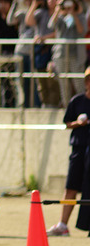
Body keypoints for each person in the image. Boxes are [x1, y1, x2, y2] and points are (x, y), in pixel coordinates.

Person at [47, 67, 90, 236]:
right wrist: (79, 124)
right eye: (88, 79)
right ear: (86, 82)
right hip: (78, 148)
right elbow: (67, 123)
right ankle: (63, 225)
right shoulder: (77, 101)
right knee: (71, 186)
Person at [48, 0, 86, 107]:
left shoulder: (80, 16)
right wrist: (58, 10)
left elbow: (82, 31)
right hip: (61, 55)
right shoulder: (60, 18)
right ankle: (67, 109)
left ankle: (82, 109)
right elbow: (50, 25)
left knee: (79, 84)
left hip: (76, 55)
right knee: (64, 85)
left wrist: (73, 14)